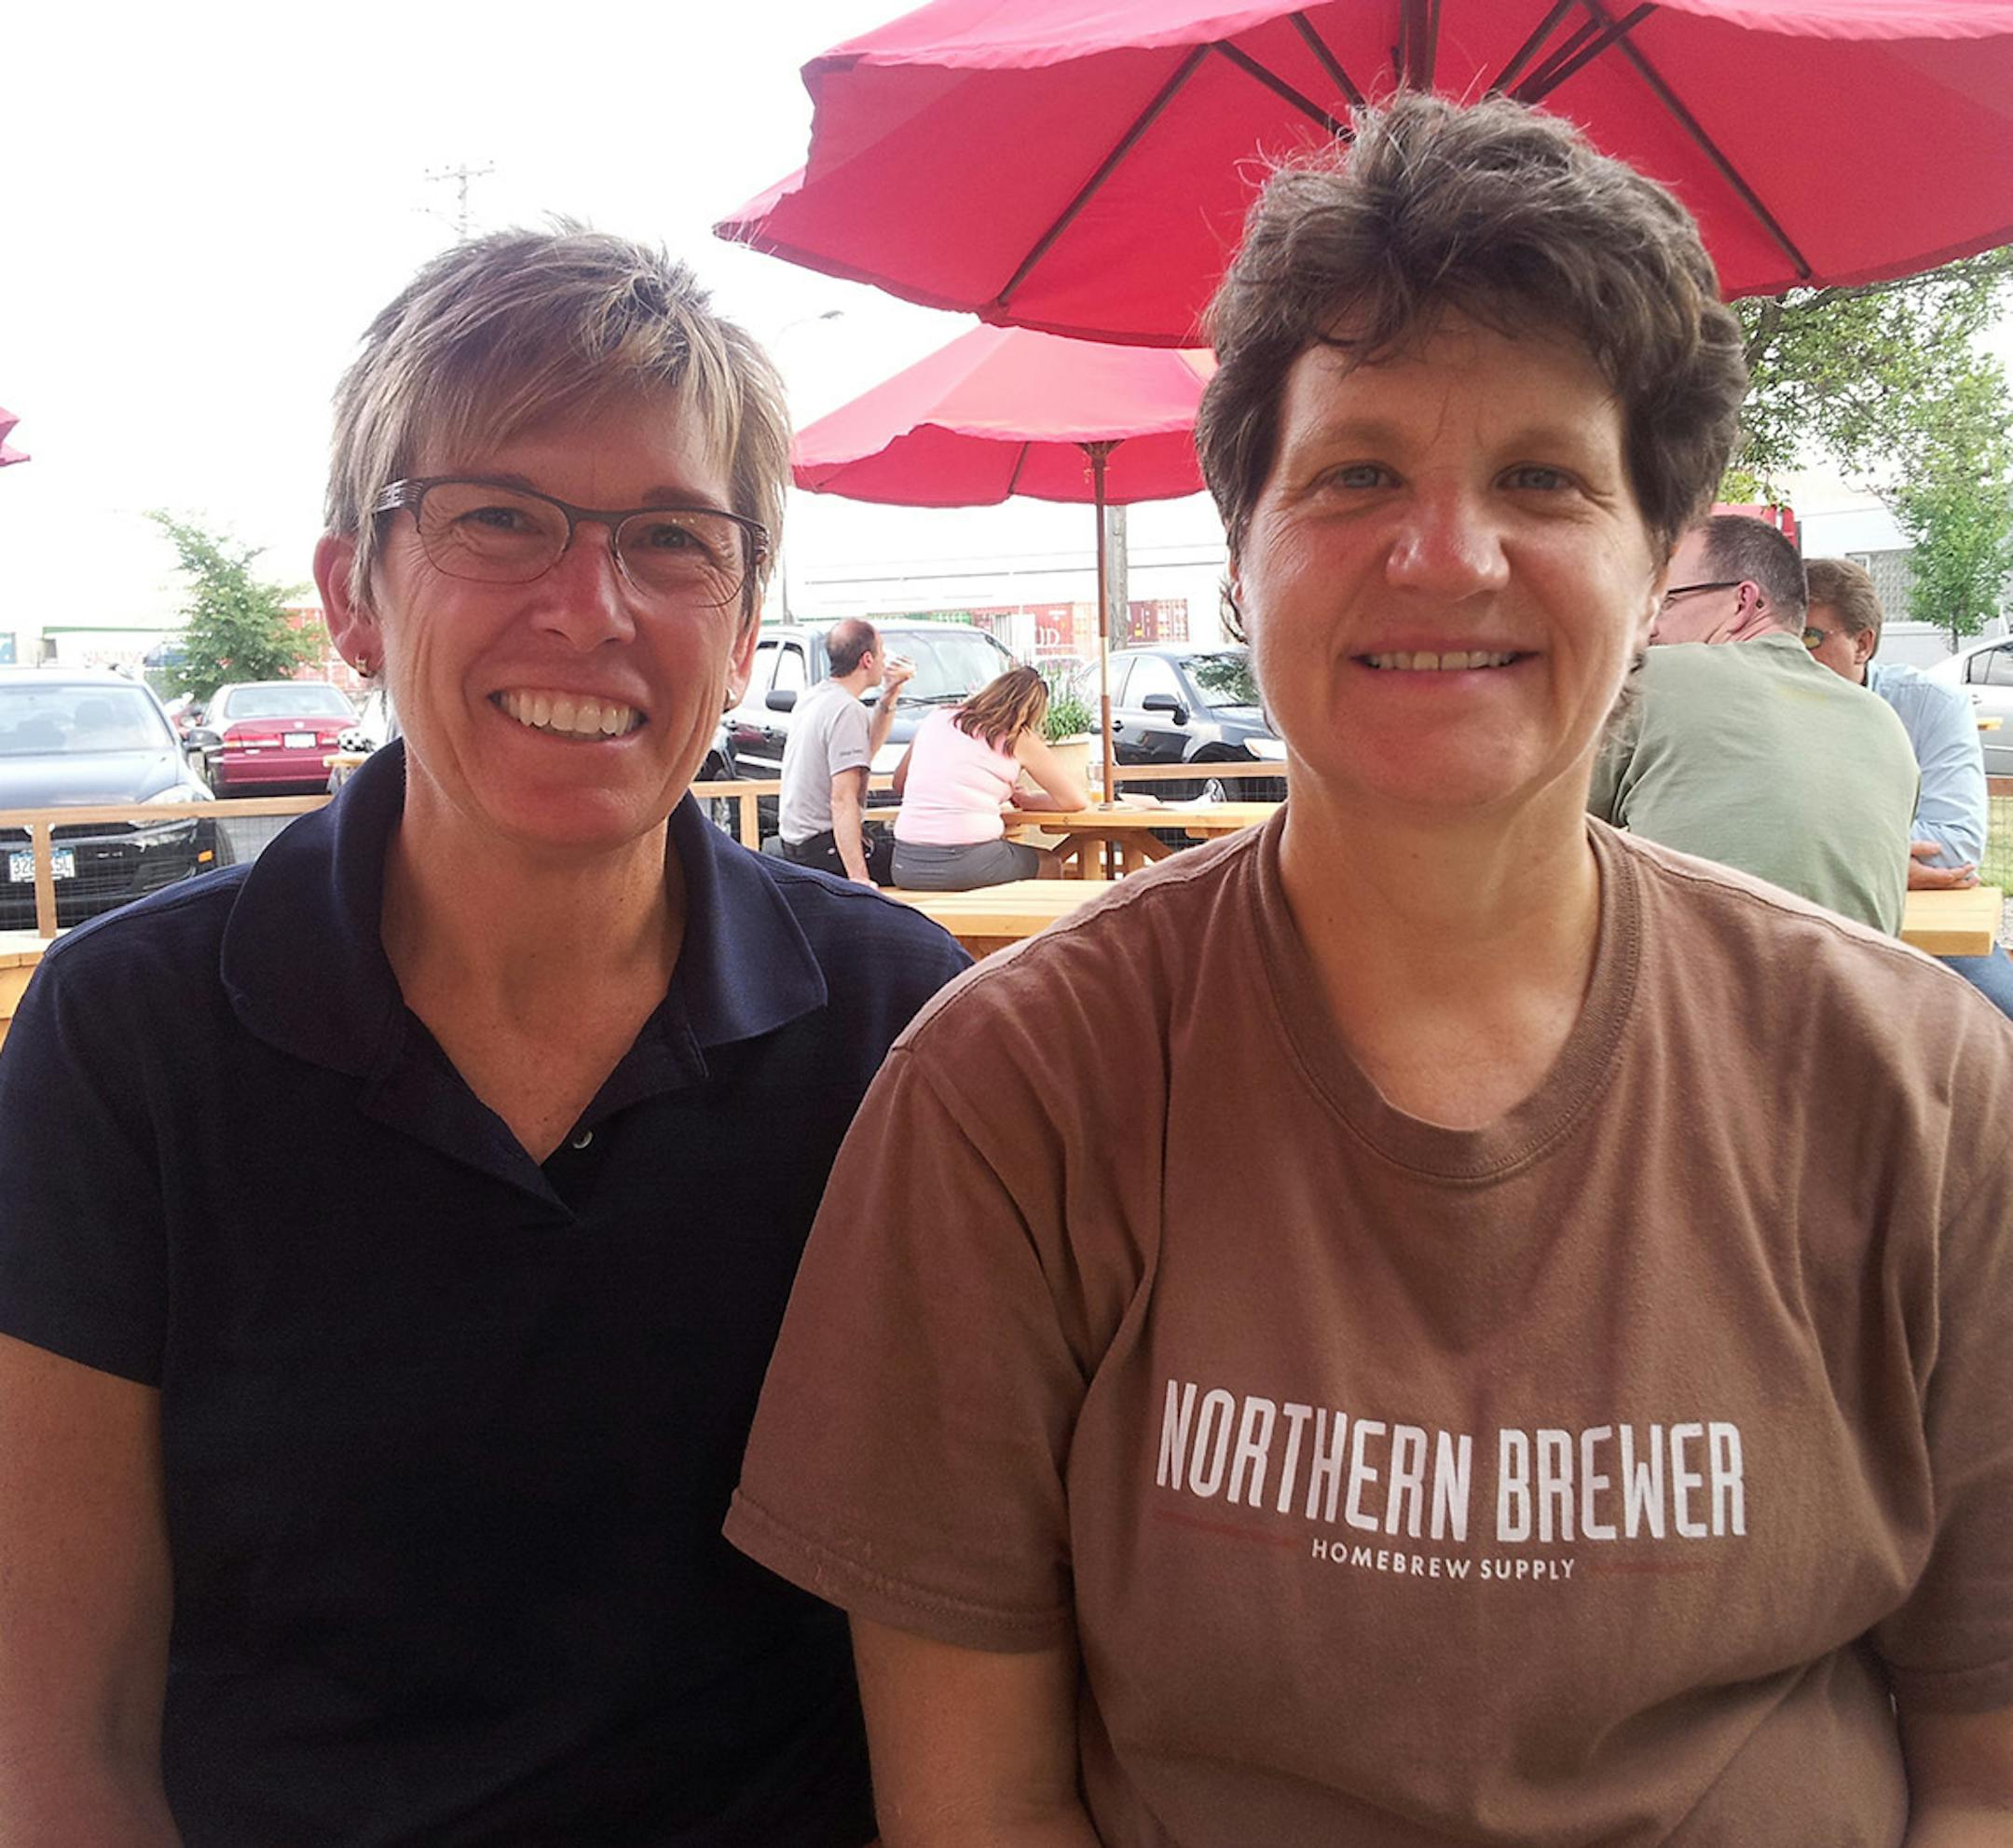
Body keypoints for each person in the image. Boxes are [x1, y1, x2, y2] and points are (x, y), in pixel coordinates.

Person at [725, 94, 2013, 1844]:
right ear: (1241, 560)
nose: (1448, 553)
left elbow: (1985, 1774)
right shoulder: (1009, 1091)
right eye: (1356, 474)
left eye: (1544, 478)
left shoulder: (1922, 1089)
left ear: (1660, 571)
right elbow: (979, 1807)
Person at [0, 229, 969, 1842]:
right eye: (499, 519)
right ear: (351, 597)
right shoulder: (127, 1043)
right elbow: (62, 1741)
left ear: (741, 634)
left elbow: (962, 1675)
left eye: (671, 539)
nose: (587, 608)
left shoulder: (894, 1026)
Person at [1589, 512, 1918, 932]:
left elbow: (1528, 837)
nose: (1649, 626)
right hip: (1860, 990)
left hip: (1686, 990)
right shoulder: (1883, 722)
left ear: (1743, 603)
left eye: (1666, 601)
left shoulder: (1659, 676)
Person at [1804, 554, 2013, 1016]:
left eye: (1809, 637)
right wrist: (1882, 858)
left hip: (1921, 929)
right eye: (1775, 638)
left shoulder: (1930, 705)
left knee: (2003, 1016)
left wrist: (1823, 854)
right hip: (1795, 922)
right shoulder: (1754, 706)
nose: (1788, 655)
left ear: (1863, 644)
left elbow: (1955, 846)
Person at [889, 665, 1090, 890]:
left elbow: (899, 783)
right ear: (1030, 712)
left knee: (1005, 856)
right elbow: (1075, 801)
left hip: (906, 865)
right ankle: (1039, 926)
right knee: (1049, 863)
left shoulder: (938, 718)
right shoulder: (1018, 737)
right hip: (969, 863)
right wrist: (1028, 801)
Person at [778, 619, 912, 884]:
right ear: (867, 660)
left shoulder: (813, 697)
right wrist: (859, 880)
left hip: (796, 847)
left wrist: (891, 693)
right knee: (918, 865)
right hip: (824, 850)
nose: (886, 659)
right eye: (882, 652)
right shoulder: (847, 709)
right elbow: (842, 799)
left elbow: (866, 751)